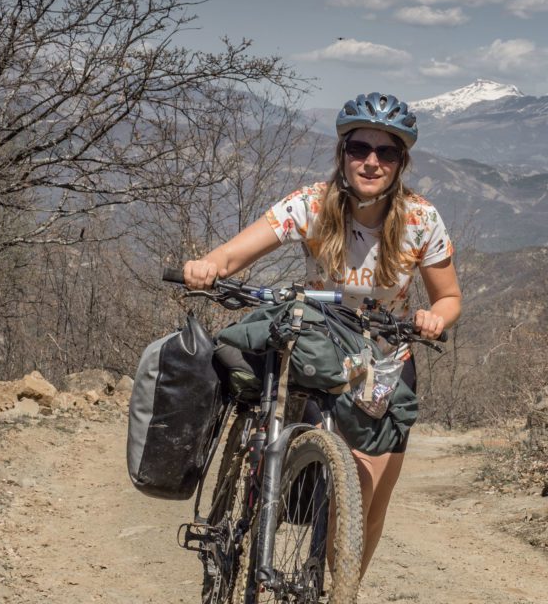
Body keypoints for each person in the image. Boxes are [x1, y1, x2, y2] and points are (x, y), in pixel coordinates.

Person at [183, 92, 462, 577]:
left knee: (367, 500)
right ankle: (250, 501)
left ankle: (341, 585)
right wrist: (208, 266)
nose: (371, 162)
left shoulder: (421, 220)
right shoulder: (311, 204)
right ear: (343, 152)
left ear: (401, 162)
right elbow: (233, 255)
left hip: (381, 361)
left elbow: (449, 297)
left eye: (387, 152)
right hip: (315, 347)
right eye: (360, 149)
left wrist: (435, 317)